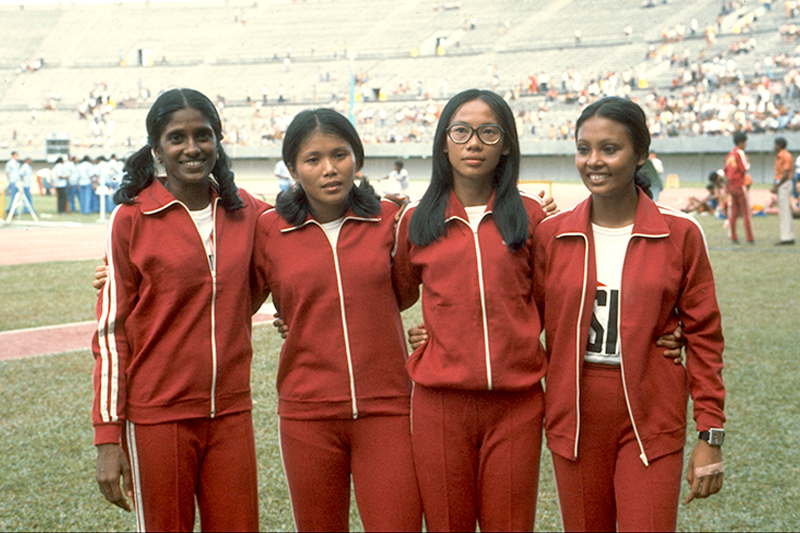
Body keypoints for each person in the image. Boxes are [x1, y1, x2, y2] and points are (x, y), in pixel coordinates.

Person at [532, 96, 725, 532]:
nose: (593, 162)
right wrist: (438, 330)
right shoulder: (551, 235)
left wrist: (710, 433)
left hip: (652, 413)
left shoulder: (681, 233)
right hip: (575, 418)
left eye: (609, 149)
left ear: (640, 153)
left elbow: (706, 338)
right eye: (584, 149)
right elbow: (516, 313)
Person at [92, 88, 267, 532]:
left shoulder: (246, 211)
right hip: (158, 416)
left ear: (218, 140)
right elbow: (111, 334)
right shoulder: (131, 219)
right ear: (157, 149)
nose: (192, 148)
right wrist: (108, 437)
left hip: (230, 413)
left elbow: (300, 244)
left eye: (203, 135)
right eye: (177, 138)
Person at [251, 109, 422, 532]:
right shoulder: (268, 230)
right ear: (292, 168)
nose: (329, 169)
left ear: (357, 159)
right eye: (313, 160)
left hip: (389, 407)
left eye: (340, 155)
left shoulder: (391, 219)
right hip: (307, 413)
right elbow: (225, 291)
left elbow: (423, 287)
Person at [392, 89, 548, 532]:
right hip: (440, 404)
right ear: (444, 142)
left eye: (488, 132)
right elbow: (398, 294)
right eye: (460, 131)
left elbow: (549, 302)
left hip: (516, 404)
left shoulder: (532, 216)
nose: (473, 142)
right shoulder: (416, 220)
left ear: (506, 144)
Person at [723, 131, 754, 244]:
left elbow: (725, 170)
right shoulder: (740, 153)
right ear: (741, 142)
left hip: (731, 186)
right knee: (746, 212)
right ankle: (749, 237)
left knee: (734, 212)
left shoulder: (730, 154)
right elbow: (744, 168)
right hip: (739, 185)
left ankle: (733, 236)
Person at [770, 137, 795, 245]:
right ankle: (789, 235)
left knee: (784, 212)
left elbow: (785, 174)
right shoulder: (779, 156)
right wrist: (775, 185)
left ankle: (786, 238)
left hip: (784, 184)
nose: (774, 147)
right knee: (785, 211)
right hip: (782, 184)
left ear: (779, 145)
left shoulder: (786, 156)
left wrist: (777, 186)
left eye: (775, 144)